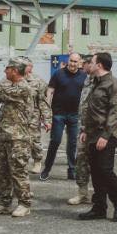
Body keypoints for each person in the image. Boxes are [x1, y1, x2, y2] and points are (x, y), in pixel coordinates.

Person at [0, 58, 37, 217]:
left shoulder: (24, 88)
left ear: (15, 71)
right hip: (4, 135)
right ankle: (4, 204)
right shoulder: (5, 84)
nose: (5, 71)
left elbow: (1, 93)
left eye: (7, 68)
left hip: (19, 138)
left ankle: (24, 204)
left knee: (18, 171)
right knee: (2, 172)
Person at [78, 52, 117, 221]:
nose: (88, 64)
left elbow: (115, 112)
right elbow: (90, 110)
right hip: (92, 134)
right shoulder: (95, 83)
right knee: (96, 172)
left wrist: (105, 136)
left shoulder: (114, 84)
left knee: (105, 170)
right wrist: (85, 130)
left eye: (91, 62)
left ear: (99, 65)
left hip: (107, 134)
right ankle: (99, 208)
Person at [43, 52, 87, 181]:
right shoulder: (58, 74)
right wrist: (47, 110)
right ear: (68, 61)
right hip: (58, 114)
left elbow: (86, 94)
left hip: (75, 115)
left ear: (79, 63)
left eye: (75, 61)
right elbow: (50, 91)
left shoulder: (84, 76)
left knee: (72, 144)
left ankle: (72, 170)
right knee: (55, 141)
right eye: (71, 61)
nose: (73, 64)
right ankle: (46, 169)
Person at [67, 55, 95, 206]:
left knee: (97, 164)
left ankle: (99, 195)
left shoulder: (101, 81)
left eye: (84, 63)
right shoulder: (87, 79)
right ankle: (83, 193)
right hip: (83, 127)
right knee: (81, 161)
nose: (81, 66)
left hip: (95, 129)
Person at [23, 59, 50, 172]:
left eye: (28, 66)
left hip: (33, 116)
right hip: (17, 116)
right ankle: (21, 163)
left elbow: (42, 102)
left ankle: (37, 161)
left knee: (34, 139)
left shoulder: (38, 81)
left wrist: (47, 119)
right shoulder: (13, 79)